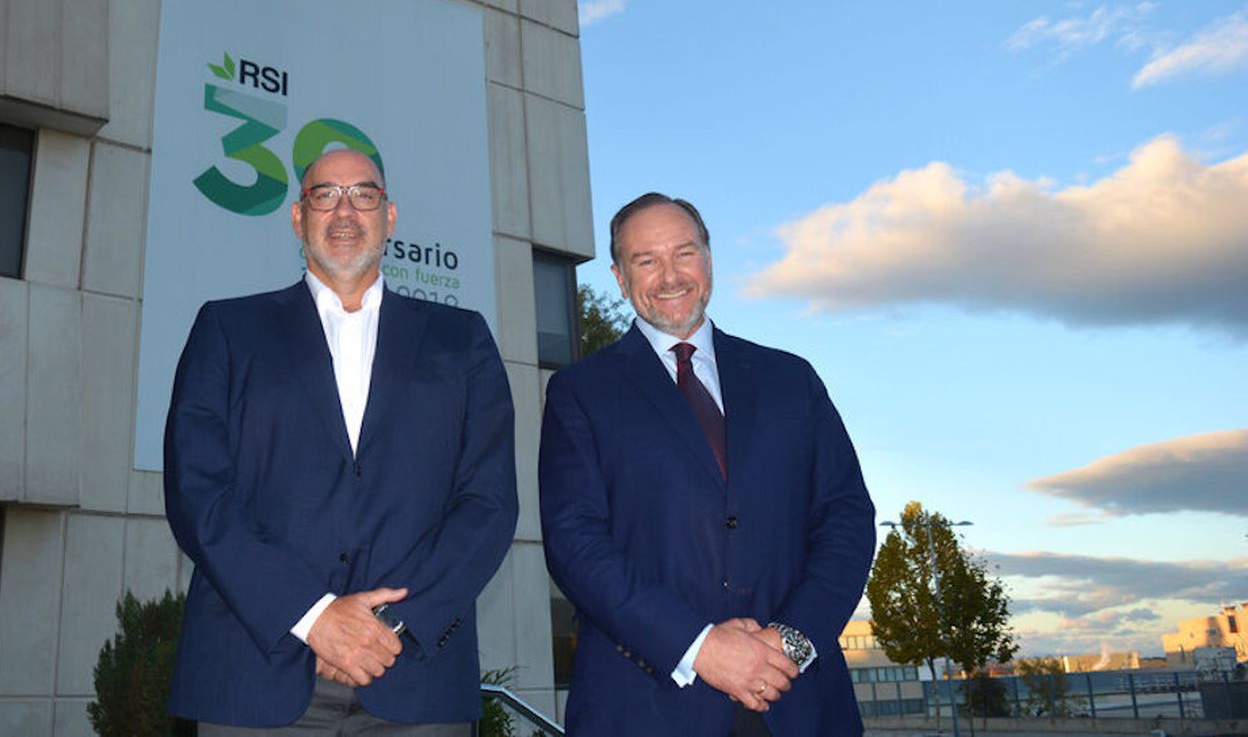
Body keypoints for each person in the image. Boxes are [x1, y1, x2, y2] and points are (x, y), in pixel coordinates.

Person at [163, 148, 518, 735]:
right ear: (298, 219)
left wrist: (390, 626)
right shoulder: (226, 330)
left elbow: (489, 503)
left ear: (391, 216)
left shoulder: (462, 340)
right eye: (324, 195)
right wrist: (313, 617)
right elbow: (196, 493)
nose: (345, 211)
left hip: (416, 679)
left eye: (364, 194)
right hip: (253, 675)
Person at [539, 192, 874, 736]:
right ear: (621, 278)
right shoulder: (580, 393)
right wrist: (700, 647)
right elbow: (576, 544)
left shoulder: (792, 380)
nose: (670, 275)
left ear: (709, 259)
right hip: (644, 707)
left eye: (684, 253)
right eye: (646, 261)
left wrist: (787, 643)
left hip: (799, 702)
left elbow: (846, 520)